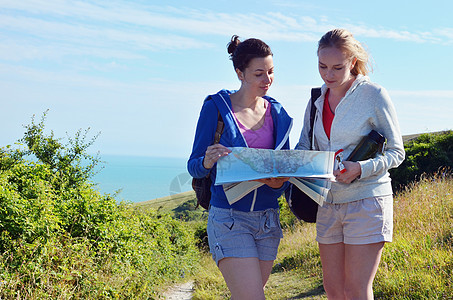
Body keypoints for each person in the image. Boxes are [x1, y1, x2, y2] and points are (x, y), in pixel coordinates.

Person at [296, 29, 405, 299]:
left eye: (337, 67)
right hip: (328, 204)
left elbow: (396, 151)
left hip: (367, 200)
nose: (328, 74)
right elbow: (303, 149)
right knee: (333, 289)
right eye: (322, 66)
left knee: (355, 290)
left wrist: (361, 169)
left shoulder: (373, 95)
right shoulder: (315, 100)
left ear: (353, 63)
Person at [188, 35, 292, 299]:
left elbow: (285, 167)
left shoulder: (278, 113)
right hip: (230, 219)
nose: (267, 80)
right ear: (240, 73)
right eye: (259, 73)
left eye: (270, 72)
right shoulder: (216, 108)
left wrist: (281, 181)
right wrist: (207, 161)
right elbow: (194, 166)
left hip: (268, 220)